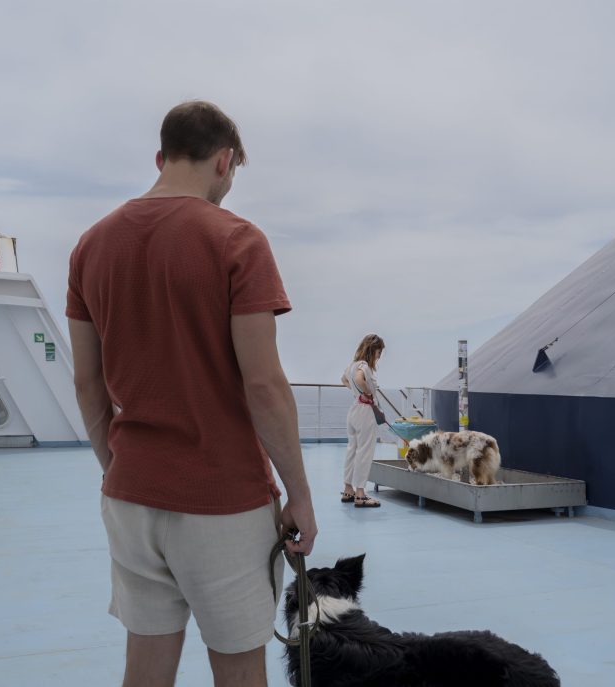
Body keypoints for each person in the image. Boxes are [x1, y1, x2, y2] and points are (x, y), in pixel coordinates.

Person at [66, 100, 317, 687]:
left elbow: (86, 382)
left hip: (131, 496)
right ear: (224, 161)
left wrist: (116, 466)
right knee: (238, 670)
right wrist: (300, 494)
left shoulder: (90, 246)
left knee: (146, 667)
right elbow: (264, 386)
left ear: (161, 156)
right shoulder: (236, 240)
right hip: (222, 501)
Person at [340, 334, 385, 508]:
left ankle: (348, 489)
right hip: (365, 411)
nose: (379, 356)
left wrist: (356, 392)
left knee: (352, 449)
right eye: (379, 352)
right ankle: (360, 494)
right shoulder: (363, 366)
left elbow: (344, 379)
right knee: (365, 451)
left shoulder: (351, 365)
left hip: (353, 410)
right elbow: (359, 379)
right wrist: (366, 392)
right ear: (373, 350)